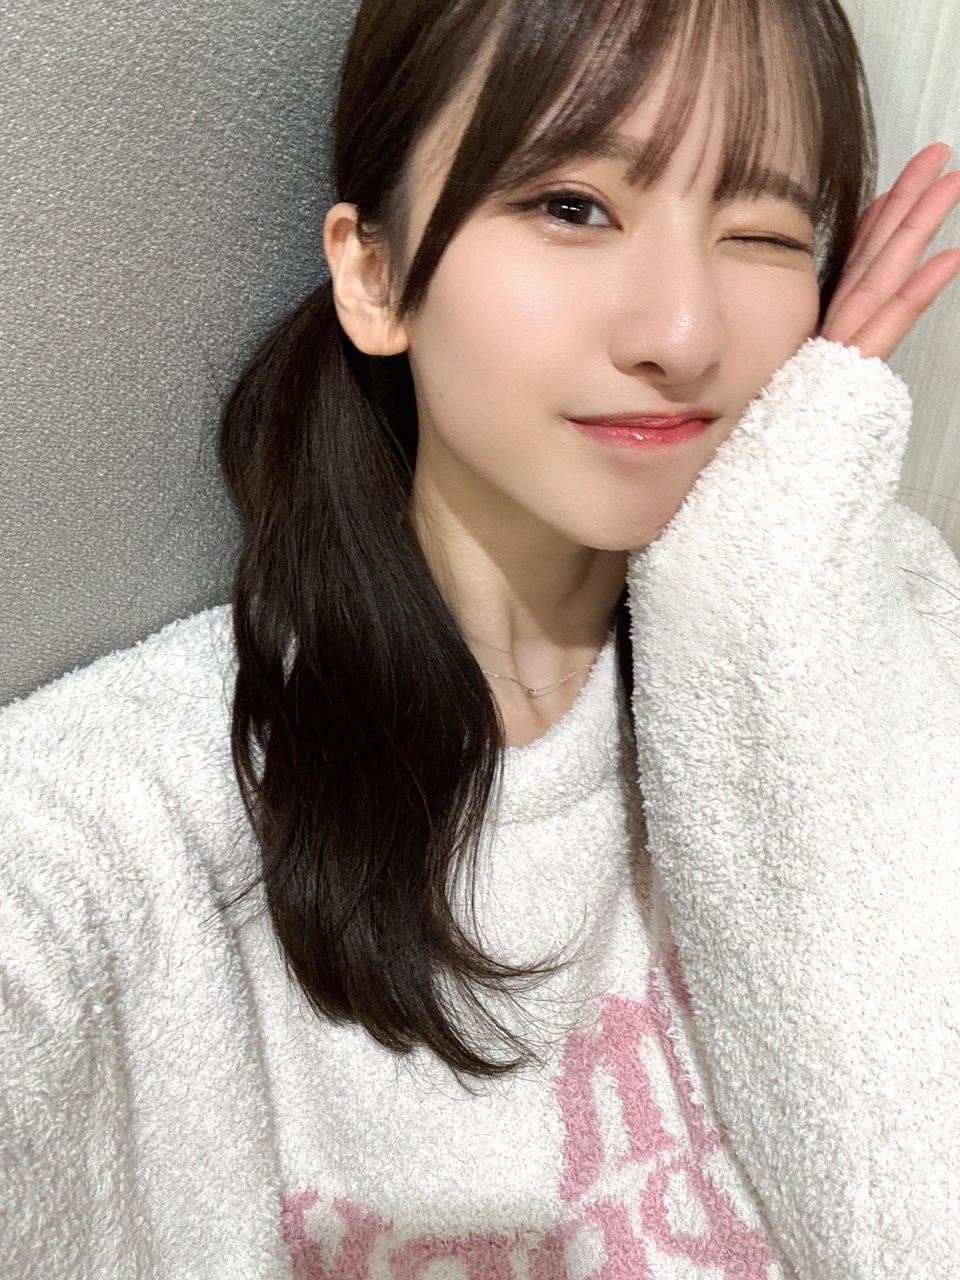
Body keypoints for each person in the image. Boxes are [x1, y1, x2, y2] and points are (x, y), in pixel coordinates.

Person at [2, 0, 960, 1276]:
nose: (681, 335)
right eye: (572, 205)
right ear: (375, 276)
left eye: (762, 232)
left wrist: (782, 559)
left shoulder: (881, 643)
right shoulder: (142, 815)